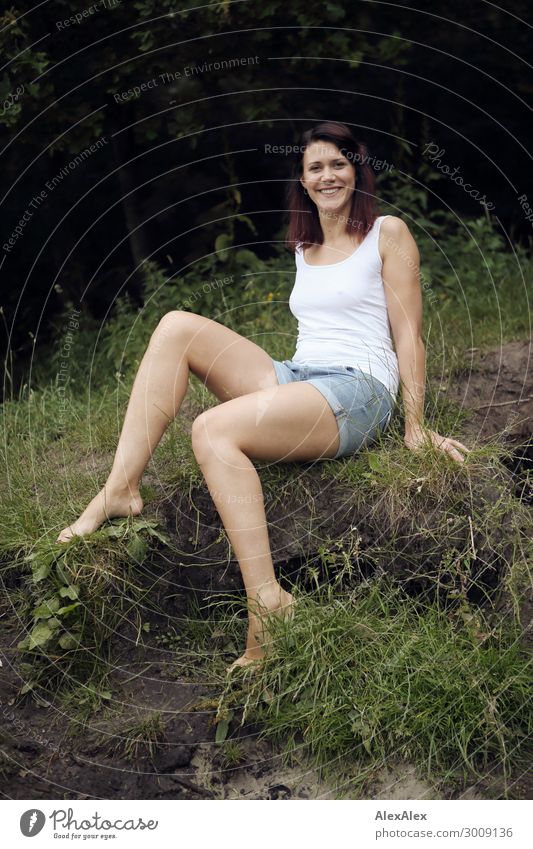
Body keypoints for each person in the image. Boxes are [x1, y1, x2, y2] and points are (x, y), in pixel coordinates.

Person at [57, 121, 469, 671]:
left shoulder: (387, 232)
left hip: (359, 387)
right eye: (315, 167)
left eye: (338, 164)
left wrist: (415, 427)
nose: (327, 176)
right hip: (300, 374)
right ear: (301, 179)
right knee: (176, 325)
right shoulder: (306, 243)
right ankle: (120, 489)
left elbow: (408, 334)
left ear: (357, 170)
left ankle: (268, 603)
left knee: (212, 429)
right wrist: (286, 379)